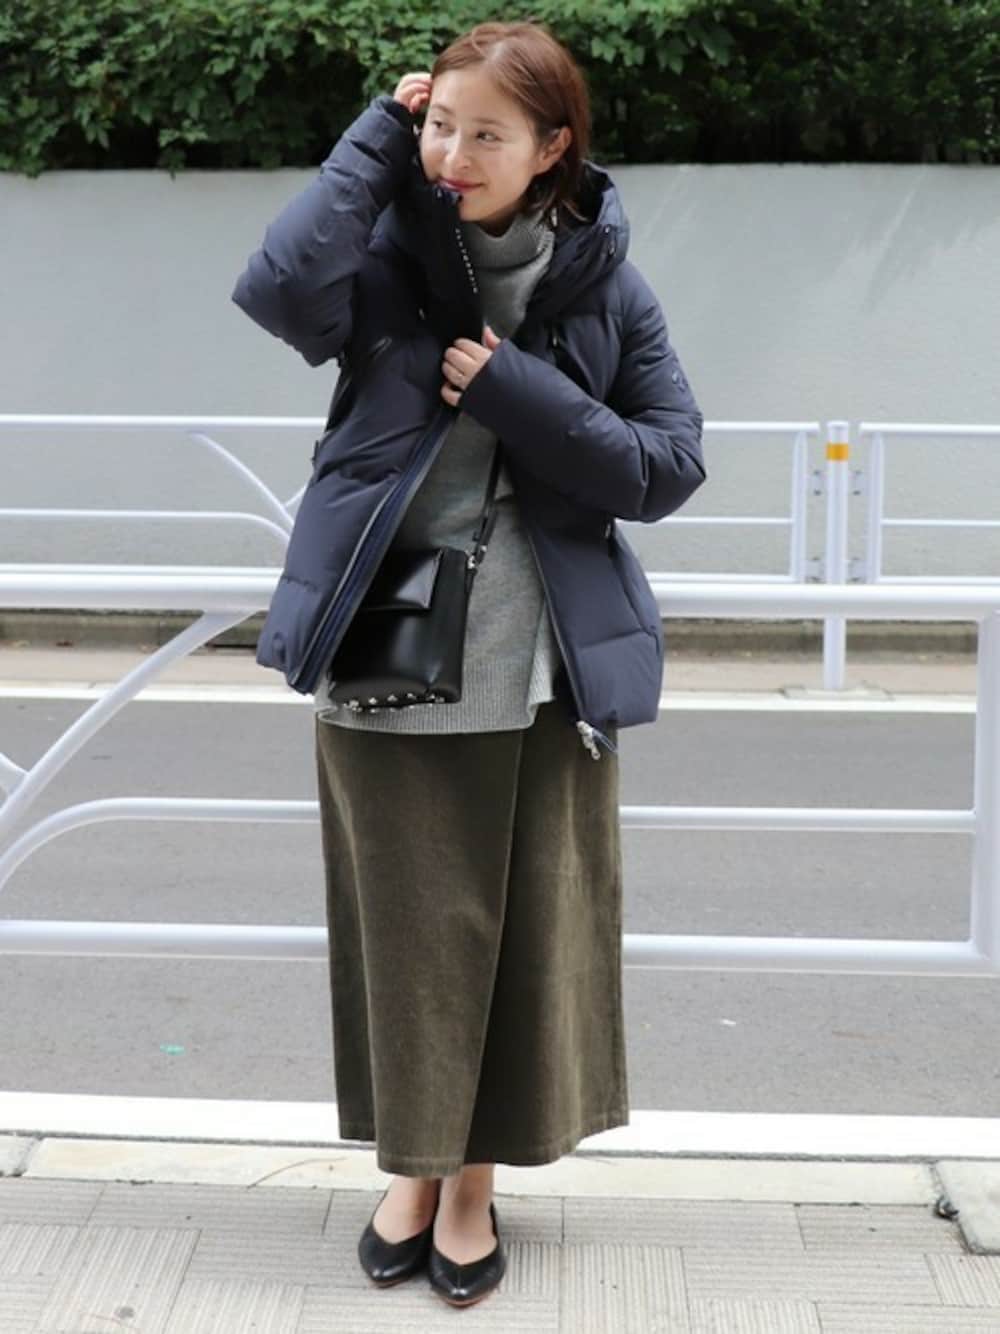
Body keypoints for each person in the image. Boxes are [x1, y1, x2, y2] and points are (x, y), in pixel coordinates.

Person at [231, 19, 705, 1310]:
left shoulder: (606, 287)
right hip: (383, 645)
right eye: (440, 124)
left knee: (516, 943)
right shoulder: (385, 254)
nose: (455, 154)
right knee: (403, 939)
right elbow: (277, 290)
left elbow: (668, 466)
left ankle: (471, 1185)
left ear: (551, 148)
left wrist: (515, 393)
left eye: (485, 133)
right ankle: (412, 1165)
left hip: (543, 671)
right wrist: (374, 141)